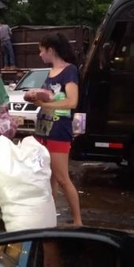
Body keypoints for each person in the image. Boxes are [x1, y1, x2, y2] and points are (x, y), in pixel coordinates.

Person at [33, 32, 83, 226]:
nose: (40, 55)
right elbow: (54, 98)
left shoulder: (69, 71)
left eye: (41, 51)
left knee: (62, 178)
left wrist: (46, 105)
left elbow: (72, 101)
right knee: (49, 178)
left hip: (58, 130)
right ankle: (50, 219)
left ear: (50, 50)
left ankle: (78, 221)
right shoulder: (50, 72)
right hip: (43, 129)